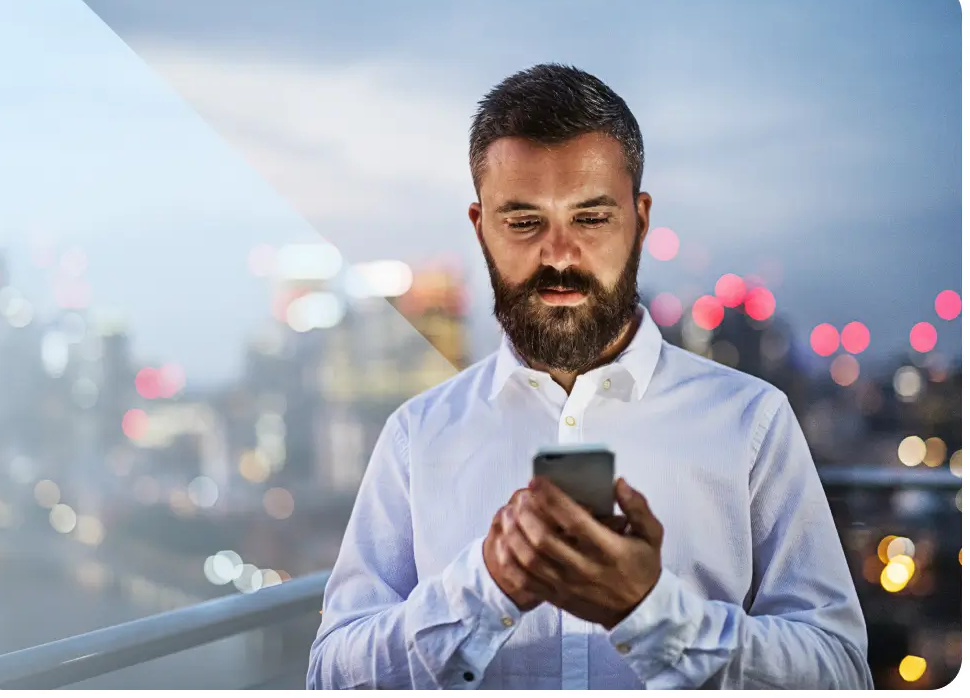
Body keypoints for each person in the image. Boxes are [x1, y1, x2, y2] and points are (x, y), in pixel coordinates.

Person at [306, 63, 874, 690]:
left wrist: (655, 613)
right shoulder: (417, 434)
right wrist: (481, 589)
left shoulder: (751, 421)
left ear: (640, 218)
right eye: (523, 221)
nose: (557, 253)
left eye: (591, 218)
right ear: (480, 227)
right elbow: (330, 677)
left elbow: (842, 674)